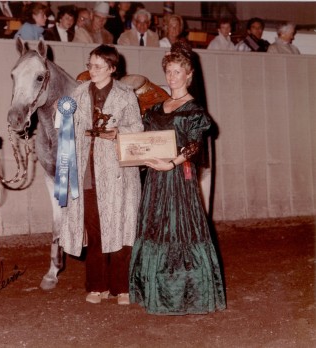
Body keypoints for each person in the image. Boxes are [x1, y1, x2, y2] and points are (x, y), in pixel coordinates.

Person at [129, 42, 226, 315]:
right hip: (156, 182)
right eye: (168, 71)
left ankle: (186, 295)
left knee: (179, 229)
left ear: (188, 75)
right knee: (155, 228)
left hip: (177, 178)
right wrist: (130, 148)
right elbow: (143, 139)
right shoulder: (157, 108)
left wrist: (170, 163)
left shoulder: (194, 110)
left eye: (177, 72)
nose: (172, 77)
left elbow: (194, 146)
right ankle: (153, 291)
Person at [60, 45, 143, 305]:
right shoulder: (78, 93)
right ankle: (97, 285)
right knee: (94, 229)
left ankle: (122, 287)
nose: (91, 70)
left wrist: (117, 132)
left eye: (98, 66)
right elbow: (67, 126)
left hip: (118, 172)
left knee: (121, 228)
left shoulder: (126, 94)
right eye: (90, 64)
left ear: (112, 68)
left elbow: (137, 127)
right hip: (87, 171)